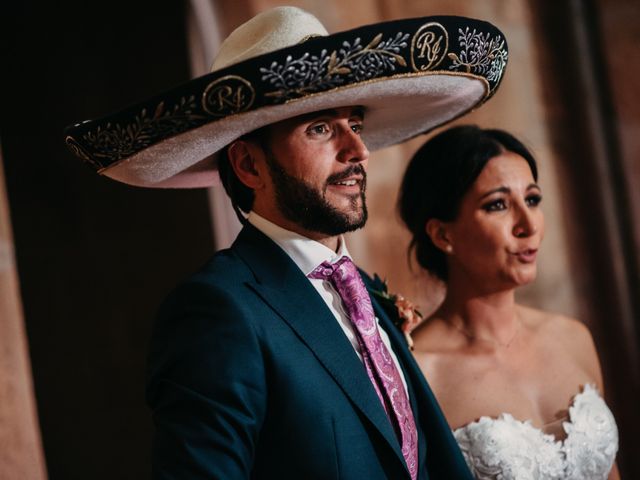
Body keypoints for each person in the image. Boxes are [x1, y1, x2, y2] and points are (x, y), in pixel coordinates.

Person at [64, 7, 510, 479]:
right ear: (249, 166)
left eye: (354, 125)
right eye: (320, 128)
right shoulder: (217, 310)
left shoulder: (362, 290)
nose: (356, 150)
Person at [398, 125, 619, 479]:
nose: (528, 224)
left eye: (532, 199)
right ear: (443, 234)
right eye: (498, 205)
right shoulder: (420, 373)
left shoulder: (573, 338)